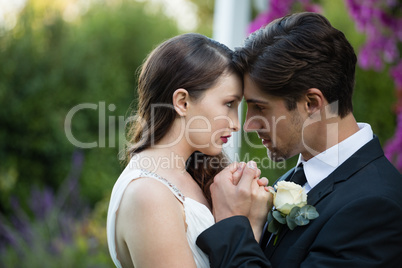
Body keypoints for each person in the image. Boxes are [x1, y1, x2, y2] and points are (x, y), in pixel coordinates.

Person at [196, 12, 402, 267]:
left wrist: (232, 225)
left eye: (260, 107)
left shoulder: (375, 207)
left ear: (311, 103)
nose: (248, 125)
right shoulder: (293, 180)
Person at [106, 33, 270, 268]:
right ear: (182, 102)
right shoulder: (148, 195)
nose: (236, 123)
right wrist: (248, 224)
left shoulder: (194, 174)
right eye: (229, 104)